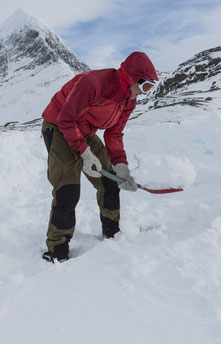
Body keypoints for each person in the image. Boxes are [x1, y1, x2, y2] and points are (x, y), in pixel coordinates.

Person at [40, 51, 158, 263]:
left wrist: (120, 165)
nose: (144, 93)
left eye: (150, 88)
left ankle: (112, 233)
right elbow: (66, 119)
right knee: (68, 190)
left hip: (83, 132)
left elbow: (114, 133)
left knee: (110, 181)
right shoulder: (94, 84)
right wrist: (85, 153)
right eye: (144, 87)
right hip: (58, 127)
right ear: (132, 79)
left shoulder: (129, 100)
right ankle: (57, 250)